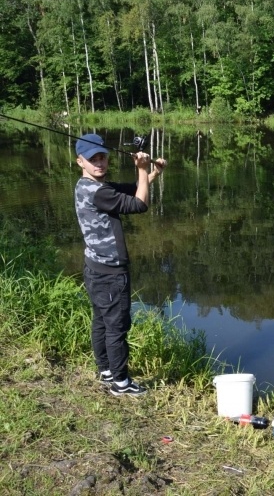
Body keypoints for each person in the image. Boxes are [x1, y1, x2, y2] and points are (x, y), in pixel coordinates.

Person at [74, 133, 166, 397]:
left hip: (94, 266)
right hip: (111, 272)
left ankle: (106, 371)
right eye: (93, 159)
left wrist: (152, 173)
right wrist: (141, 168)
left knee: (101, 321)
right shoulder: (100, 193)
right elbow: (139, 204)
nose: (99, 163)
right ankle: (121, 383)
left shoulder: (85, 186)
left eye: (102, 157)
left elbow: (133, 188)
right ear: (80, 161)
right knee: (117, 327)